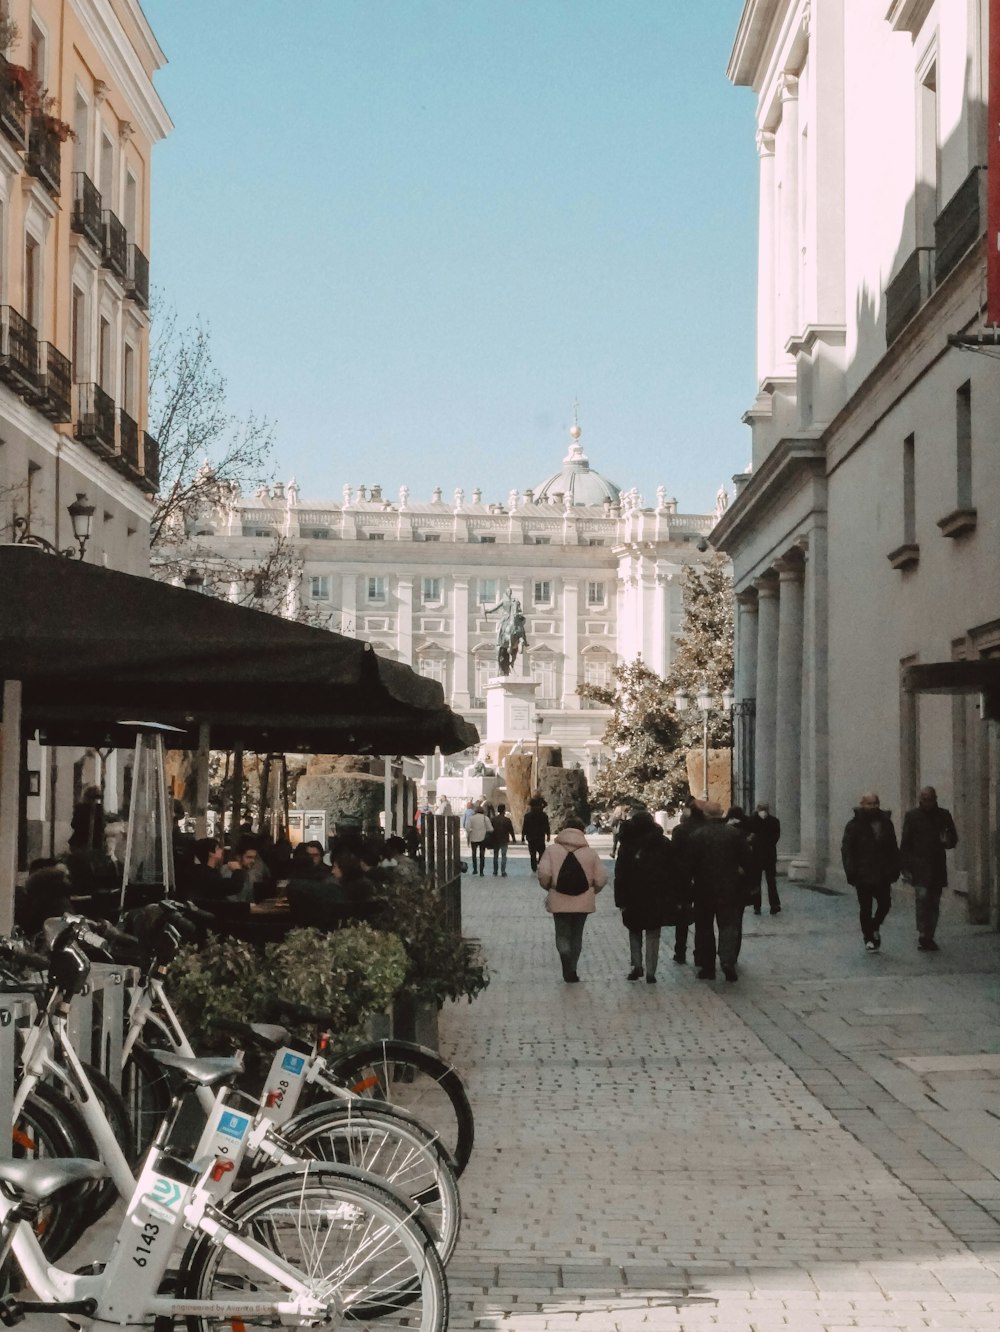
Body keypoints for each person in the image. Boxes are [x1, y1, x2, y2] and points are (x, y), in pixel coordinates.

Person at [687, 801, 753, 982]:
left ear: (706, 815)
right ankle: (727, 960)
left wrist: (687, 887)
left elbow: (688, 866)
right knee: (728, 925)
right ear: (722, 813)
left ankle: (708, 967)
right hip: (730, 887)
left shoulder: (697, 836)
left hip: (703, 888)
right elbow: (748, 861)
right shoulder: (735, 835)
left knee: (704, 927)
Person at [537, 817, 607, 982]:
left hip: (558, 898)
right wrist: (592, 891)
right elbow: (602, 878)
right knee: (577, 935)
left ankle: (565, 959)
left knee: (562, 934)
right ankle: (573, 969)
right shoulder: (590, 853)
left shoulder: (552, 850)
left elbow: (544, 874)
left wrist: (549, 887)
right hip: (583, 900)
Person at [613, 809, 679, 983]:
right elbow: (673, 870)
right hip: (656, 893)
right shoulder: (663, 843)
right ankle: (651, 971)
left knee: (634, 930)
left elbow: (620, 873)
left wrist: (620, 899)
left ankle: (636, 965)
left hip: (632, 893)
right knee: (653, 933)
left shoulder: (627, 845)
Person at [899, 786, 958, 952]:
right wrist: (905, 867)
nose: (927, 802)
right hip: (919, 867)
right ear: (920, 800)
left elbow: (953, 839)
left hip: (937, 865)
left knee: (934, 901)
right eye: (924, 799)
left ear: (935, 799)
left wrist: (947, 840)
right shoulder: (912, 816)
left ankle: (930, 933)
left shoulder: (944, 815)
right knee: (922, 898)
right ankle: (923, 934)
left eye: (930, 799)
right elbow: (906, 843)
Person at [841, 792, 900, 952]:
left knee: (885, 904)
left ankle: (874, 925)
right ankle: (868, 938)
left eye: (875, 803)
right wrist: (851, 871)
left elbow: (893, 847)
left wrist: (895, 868)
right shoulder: (853, 826)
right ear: (862, 804)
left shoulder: (886, 823)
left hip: (882, 873)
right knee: (865, 908)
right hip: (863, 873)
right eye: (869, 803)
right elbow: (847, 850)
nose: (873, 806)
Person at [669, 800, 705, 964]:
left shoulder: (679, 831)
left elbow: (673, 855)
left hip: (682, 878)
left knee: (682, 918)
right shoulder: (705, 830)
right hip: (702, 877)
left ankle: (680, 951)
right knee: (703, 918)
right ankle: (700, 953)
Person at [749, 801, 782, 915]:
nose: (763, 811)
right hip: (766, 854)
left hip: (761, 855)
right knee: (766, 881)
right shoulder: (770, 821)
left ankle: (762, 905)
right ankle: (768, 905)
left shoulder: (755, 821)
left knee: (765, 881)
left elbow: (775, 836)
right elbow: (775, 837)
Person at [521, 796, 551, 871]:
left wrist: (523, 836)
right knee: (542, 852)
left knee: (532, 853)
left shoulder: (527, 816)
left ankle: (534, 867)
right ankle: (539, 862)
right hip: (540, 837)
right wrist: (548, 835)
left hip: (531, 837)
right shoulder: (543, 815)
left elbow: (525, 826)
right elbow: (547, 826)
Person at [490, 803, 516, 877]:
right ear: (504, 810)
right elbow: (511, 830)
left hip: (495, 839)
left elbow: (490, 829)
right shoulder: (507, 820)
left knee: (495, 855)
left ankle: (495, 871)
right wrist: (513, 838)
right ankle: (503, 871)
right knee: (504, 855)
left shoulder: (494, 819)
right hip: (504, 839)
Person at [466, 803, 490, 876]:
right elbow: (490, 828)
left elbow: (467, 828)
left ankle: (475, 869)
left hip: (474, 837)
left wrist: (470, 832)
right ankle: (481, 871)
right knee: (482, 855)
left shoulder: (471, 818)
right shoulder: (485, 818)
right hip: (483, 838)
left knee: (474, 854)